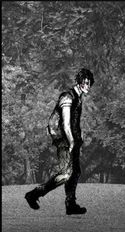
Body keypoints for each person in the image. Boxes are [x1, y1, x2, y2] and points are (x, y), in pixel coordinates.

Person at [25, 68, 94, 215]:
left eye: (90, 83)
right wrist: (71, 142)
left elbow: (76, 122)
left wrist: (78, 138)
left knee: (75, 172)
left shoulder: (79, 97)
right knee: (66, 173)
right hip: (63, 138)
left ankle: (71, 204)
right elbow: (66, 123)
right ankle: (34, 194)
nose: (88, 86)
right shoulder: (67, 97)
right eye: (86, 83)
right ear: (80, 82)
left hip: (73, 138)